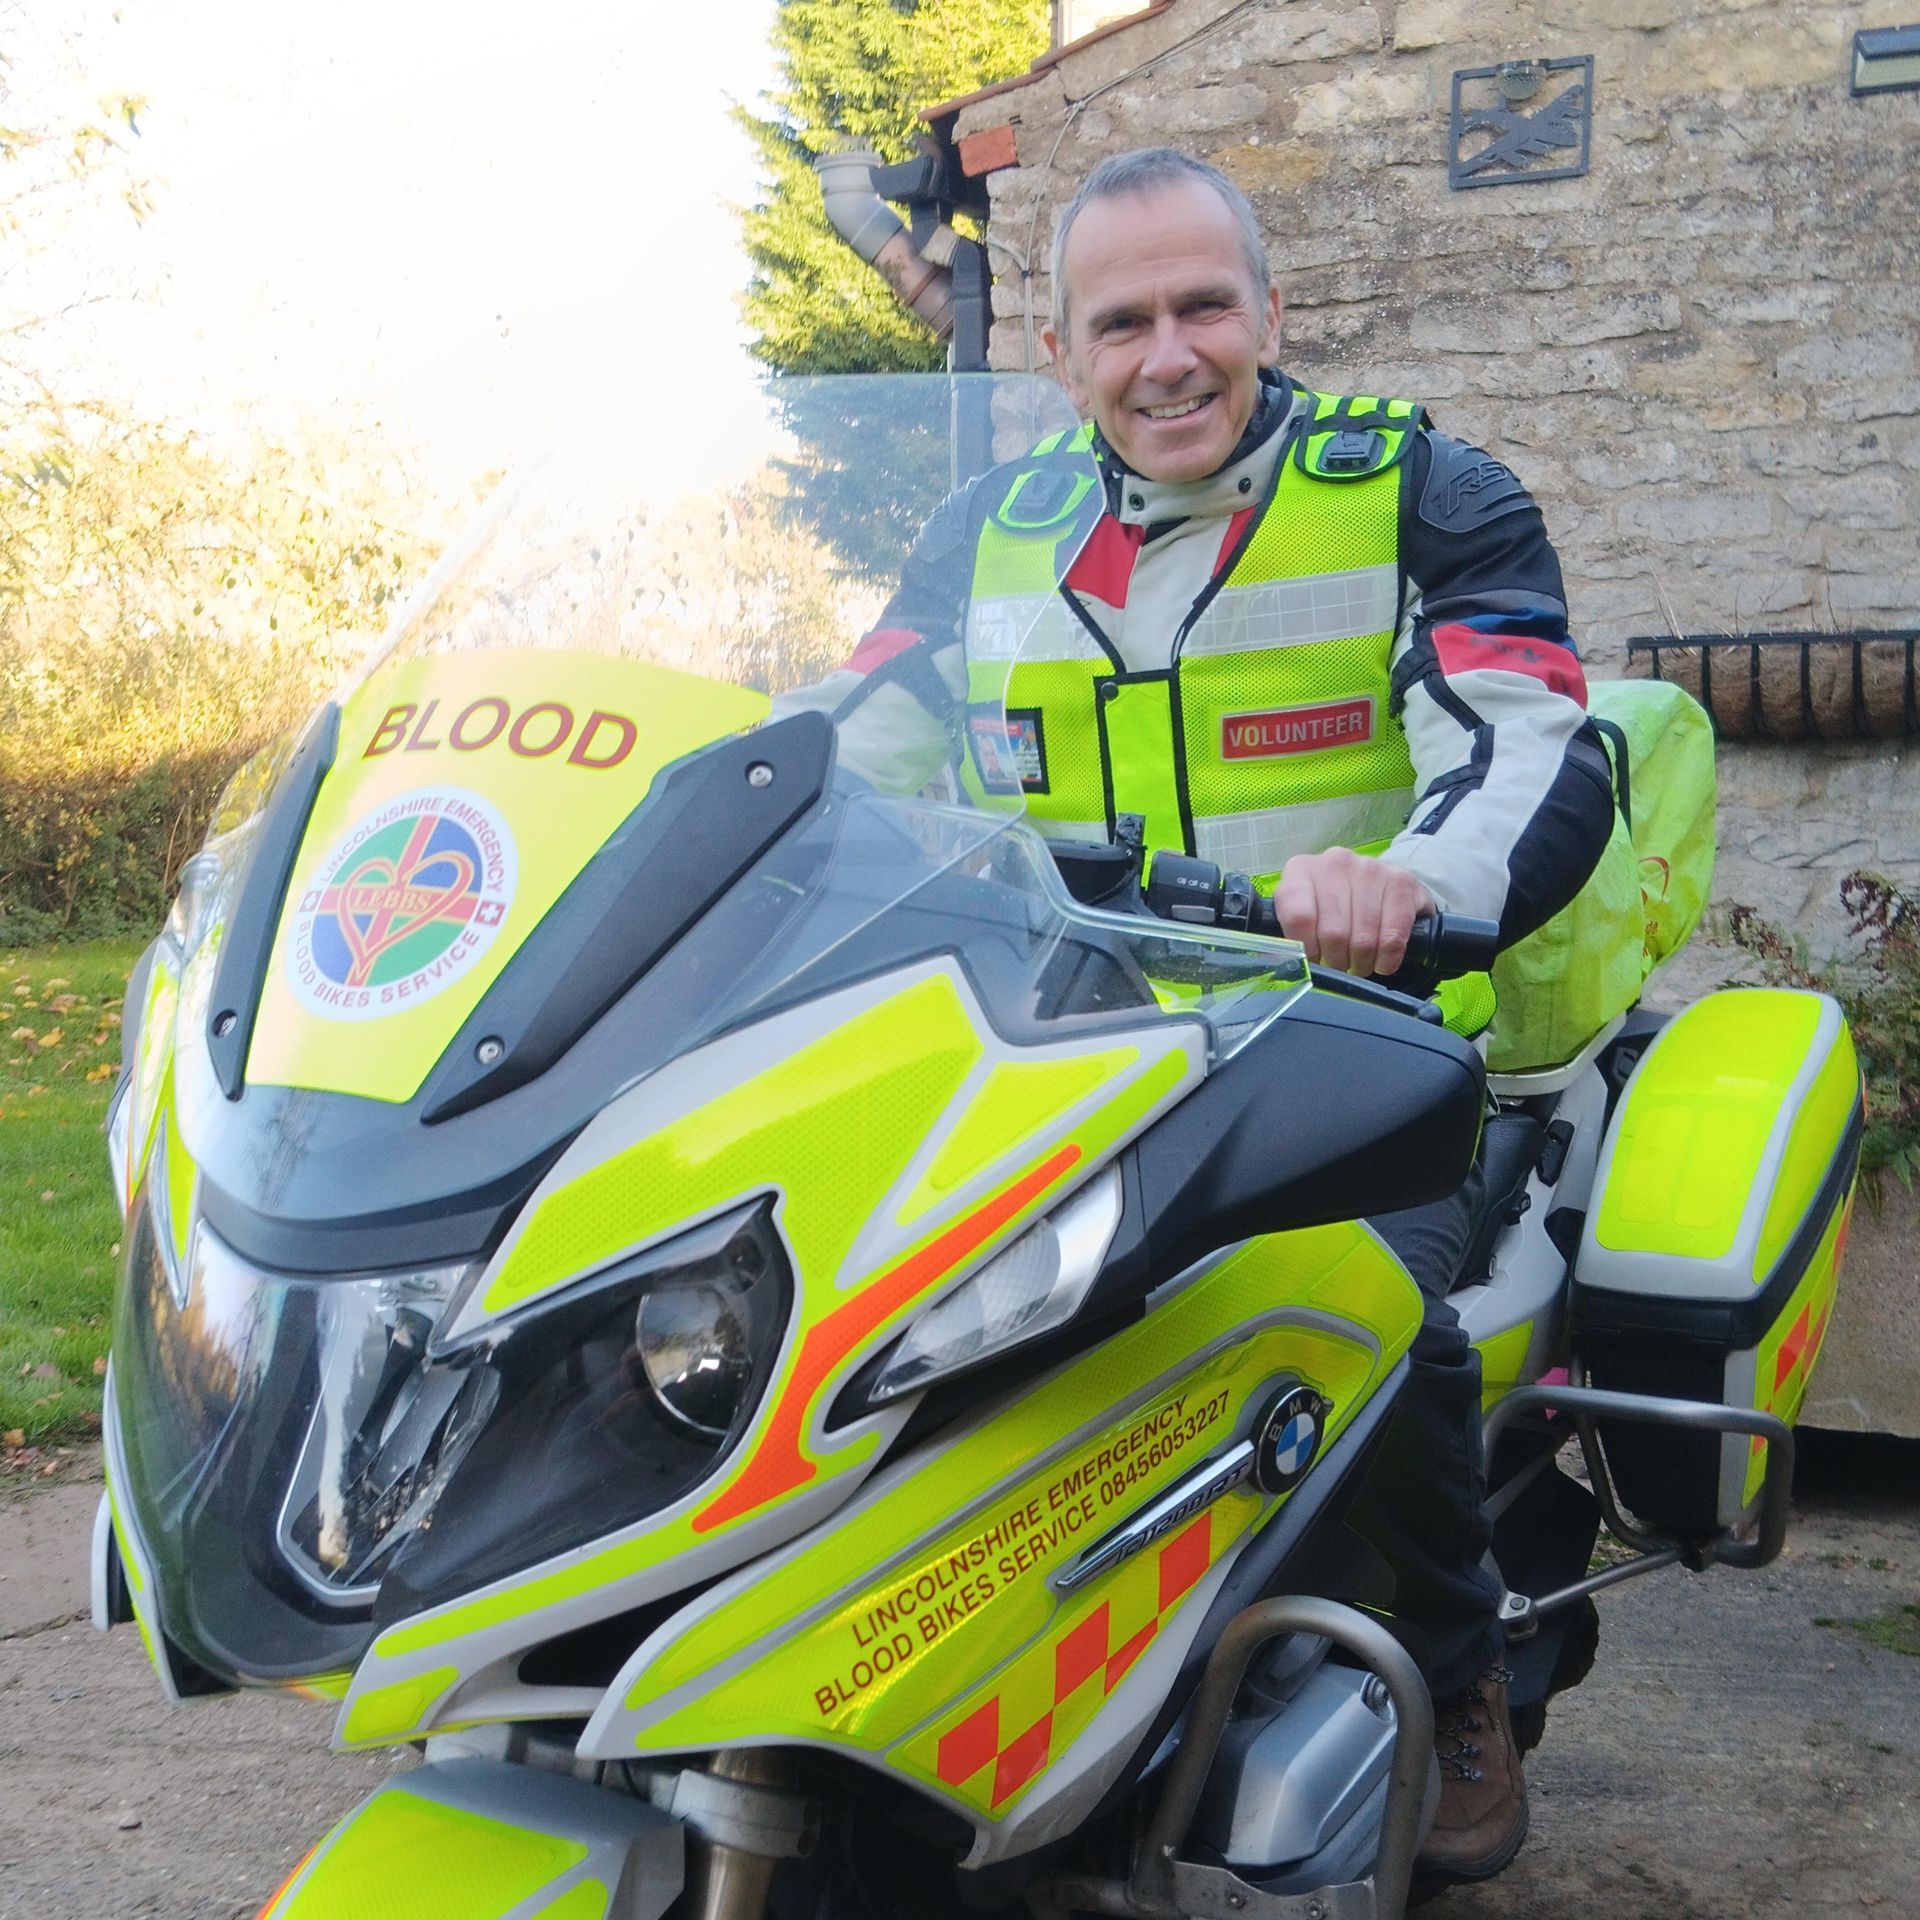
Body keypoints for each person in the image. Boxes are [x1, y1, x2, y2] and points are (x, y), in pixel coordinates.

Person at [789, 147, 1616, 1882]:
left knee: (1362, 1305)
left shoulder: (1415, 490)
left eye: (1201, 308)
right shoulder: (988, 533)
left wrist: (1406, 884)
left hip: (1344, 1045)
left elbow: (1526, 741)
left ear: (1268, 312)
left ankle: (1456, 1673)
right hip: (1047, 1048)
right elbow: (844, 743)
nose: (1169, 355)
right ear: (1070, 354)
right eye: (1123, 322)